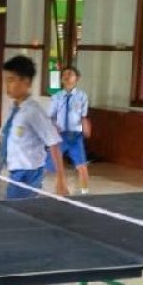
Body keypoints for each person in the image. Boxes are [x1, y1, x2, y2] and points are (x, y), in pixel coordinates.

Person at [0, 55, 68, 199]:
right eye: (6, 80)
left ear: (26, 82)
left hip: (29, 175)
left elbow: (53, 143)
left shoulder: (34, 111)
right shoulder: (13, 110)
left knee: (16, 211)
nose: (7, 85)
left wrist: (61, 180)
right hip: (15, 173)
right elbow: (5, 147)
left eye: (11, 80)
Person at [46, 65, 92, 194]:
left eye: (70, 74)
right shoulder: (56, 97)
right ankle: (39, 187)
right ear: (61, 79)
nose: (66, 77)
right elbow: (51, 116)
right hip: (59, 136)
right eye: (64, 75)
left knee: (82, 166)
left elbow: (83, 116)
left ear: (77, 78)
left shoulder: (82, 96)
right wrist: (53, 126)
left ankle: (85, 193)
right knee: (50, 165)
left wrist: (85, 125)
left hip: (75, 136)